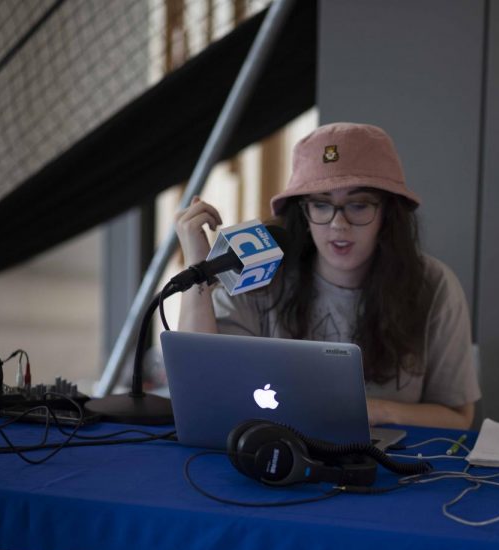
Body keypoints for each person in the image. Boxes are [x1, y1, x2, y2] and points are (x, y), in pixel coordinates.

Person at [175, 122, 479, 429]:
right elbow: (198, 387)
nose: (338, 224)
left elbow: (458, 417)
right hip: (269, 453)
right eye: (321, 205)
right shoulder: (260, 270)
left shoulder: (432, 284)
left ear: (388, 213)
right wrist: (198, 269)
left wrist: (374, 411)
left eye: (358, 205)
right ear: (303, 214)